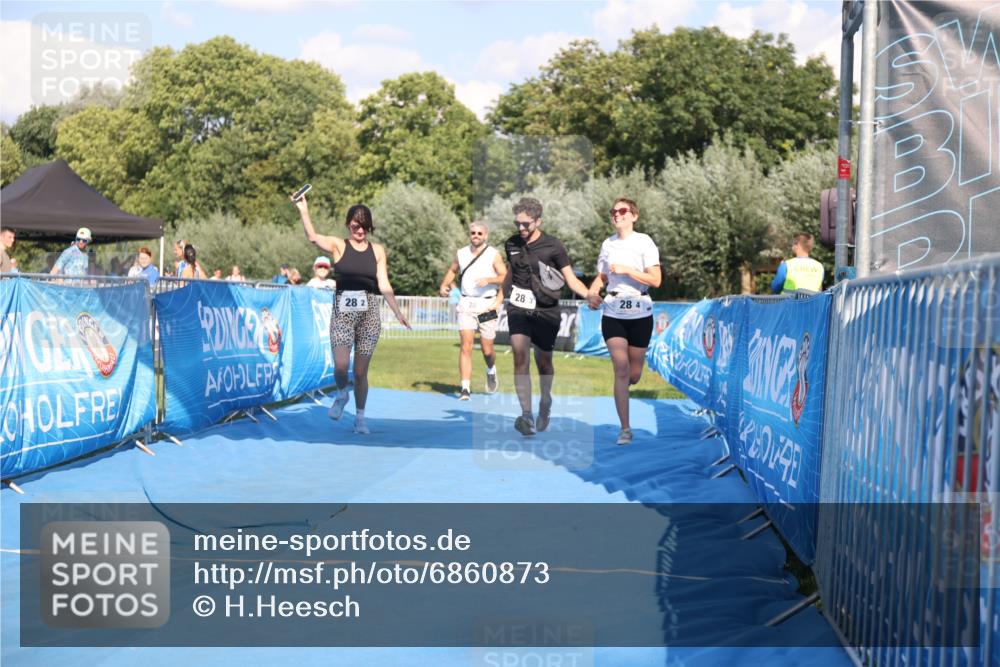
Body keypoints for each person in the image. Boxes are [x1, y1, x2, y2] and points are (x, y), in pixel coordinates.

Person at [293, 194, 410, 435]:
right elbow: (313, 237)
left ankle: (360, 418)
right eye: (356, 225)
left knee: (360, 372)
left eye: (365, 225)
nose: (361, 230)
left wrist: (397, 311)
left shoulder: (377, 250)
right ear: (349, 225)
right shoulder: (339, 245)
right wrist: (304, 210)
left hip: (369, 314)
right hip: (343, 312)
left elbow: (384, 283)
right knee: (341, 365)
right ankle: (341, 394)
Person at [503, 197, 590, 436]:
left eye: (526, 224)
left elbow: (570, 279)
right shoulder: (511, 243)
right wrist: (498, 297)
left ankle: (545, 401)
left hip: (546, 311)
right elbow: (512, 272)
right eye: (517, 223)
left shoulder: (554, 246)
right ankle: (527, 415)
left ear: (538, 221)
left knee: (544, 362)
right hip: (518, 309)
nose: (521, 229)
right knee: (520, 356)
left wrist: (589, 294)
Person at [587, 198, 662, 446]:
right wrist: (592, 293)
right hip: (614, 311)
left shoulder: (644, 242)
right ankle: (625, 429)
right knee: (620, 367)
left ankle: (626, 383)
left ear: (634, 216)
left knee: (634, 373)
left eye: (622, 211)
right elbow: (601, 277)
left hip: (640, 310)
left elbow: (656, 280)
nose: (617, 215)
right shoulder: (607, 244)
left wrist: (629, 270)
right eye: (614, 211)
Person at [438, 221, 507, 400]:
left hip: (487, 305)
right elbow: (452, 270)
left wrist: (490, 280)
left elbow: (505, 277)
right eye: (473, 233)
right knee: (466, 345)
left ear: (486, 236)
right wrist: (444, 284)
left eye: (479, 233)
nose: (476, 236)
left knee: (486, 349)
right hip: (466, 303)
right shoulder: (461, 253)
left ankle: (491, 370)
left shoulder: (493, 254)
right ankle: (465, 388)